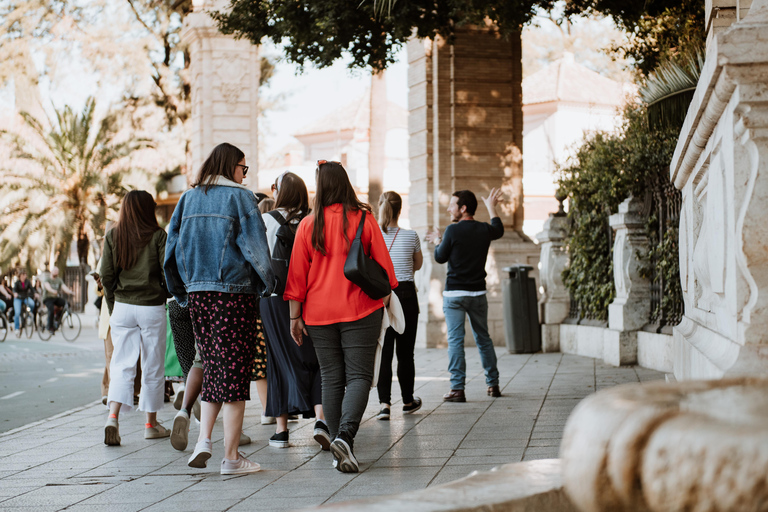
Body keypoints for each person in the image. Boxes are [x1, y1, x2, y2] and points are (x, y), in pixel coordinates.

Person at [164, 142, 275, 475]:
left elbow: (171, 248)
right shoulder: (241, 198)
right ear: (232, 167)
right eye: (244, 168)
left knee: (212, 366)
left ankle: (204, 441)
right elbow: (256, 247)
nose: (245, 174)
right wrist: (267, 285)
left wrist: (181, 289)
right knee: (236, 375)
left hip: (198, 294)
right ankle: (231, 458)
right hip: (233, 294)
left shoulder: (188, 198)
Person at [285, 160, 397, 473]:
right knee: (359, 376)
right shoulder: (364, 218)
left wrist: (295, 318)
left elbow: (296, 276)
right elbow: (385, 268)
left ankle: (338, 446)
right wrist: (389, 299)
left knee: (332, 377)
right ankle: (345, 437)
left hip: (318, 313)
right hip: (360, 308)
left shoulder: (309, 224)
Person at [261, 171, 329, 450]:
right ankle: (321, 420)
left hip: (274, 299)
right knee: (319, 360)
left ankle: (281, 431)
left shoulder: (265, 220)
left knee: (277, 360)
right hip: (313, 298)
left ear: (279, 192)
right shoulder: (315, 221)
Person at [101, 190, 170, 446]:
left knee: (121, 364)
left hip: (122, 306)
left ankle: (112, 417)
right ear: (147, 209)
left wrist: (113, 304)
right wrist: (164, 293)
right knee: (153, 364)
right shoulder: (158, 236)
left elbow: (106, 276)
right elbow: (167, 272)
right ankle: (151, 424)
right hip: (151, 306)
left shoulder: (113, 235)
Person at [425, 188, 504, 402]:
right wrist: (491, 207)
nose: (449, 208)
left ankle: (457, 389)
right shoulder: (483, 229)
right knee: (483, 339)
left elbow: (440, 257)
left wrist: (438, 241)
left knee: (456, 341)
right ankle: (493, 384)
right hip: (478, 293)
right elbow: (499, 229)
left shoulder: (452, 231)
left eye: (452, 205)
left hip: (455, 295)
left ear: (463, 208)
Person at [375, 191, 424, 420]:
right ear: (400, 209)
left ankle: (384, 404)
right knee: (406, 353)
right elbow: (418, 264)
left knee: (385, 351)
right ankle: (407, 400)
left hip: (382, 296)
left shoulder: (373, 236)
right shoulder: (411, 235)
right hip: (405, 294)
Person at [42, 267, 74, 334]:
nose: (56, 272)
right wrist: (52, 290)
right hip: (48, 298)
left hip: (55, 298)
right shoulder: (47, 279)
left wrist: (70, 292)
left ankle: (57, 318)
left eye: (57, 271)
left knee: (66, 304)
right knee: (51, 309)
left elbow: (64, 287)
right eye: (55, 271)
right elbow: (47, 286)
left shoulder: (59, 280)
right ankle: (50, 327)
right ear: (52, 271)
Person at [12, 270, 35, 337]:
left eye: (25, 275)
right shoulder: (17, 283)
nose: (24, 276)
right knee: (17, 312)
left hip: (25, 297)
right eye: (23, 275)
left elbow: (32, 289)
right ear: (20, 276)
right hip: (18, 298)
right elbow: (14, 290)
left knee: (32, 303)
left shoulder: (27, 282)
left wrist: (35, 293)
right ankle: (16, 328)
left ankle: (29, 316)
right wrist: (15, 293)